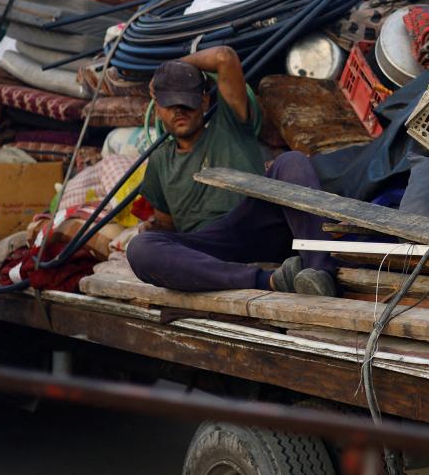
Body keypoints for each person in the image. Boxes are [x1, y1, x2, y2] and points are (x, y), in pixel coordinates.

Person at [125, 46, 337, 296]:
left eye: (187, 103)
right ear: (158, 109)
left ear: (204, 101)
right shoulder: (160, 160)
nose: (179, 111)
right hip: (210, 245)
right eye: (170, 105)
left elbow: (224, 57)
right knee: (140, 248)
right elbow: (166, 224)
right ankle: (269, 281)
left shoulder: (231, 124)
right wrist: (153, 229)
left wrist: (170, 69)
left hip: (255, 221)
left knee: (292, 161)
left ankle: (320, 273)